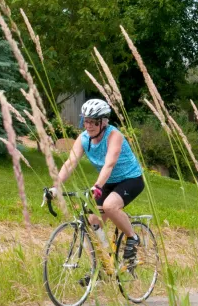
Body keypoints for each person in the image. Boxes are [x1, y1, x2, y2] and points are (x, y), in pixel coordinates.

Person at [51, 99, 144, 266]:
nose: (89, 125)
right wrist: (55, 187)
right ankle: (105, 265)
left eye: (94, 122)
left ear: (104, 122)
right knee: (92, 221)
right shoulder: (84, 138)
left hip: (130, 179)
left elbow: (109, 164)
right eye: (86, 121)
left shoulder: (114, 136)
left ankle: (133, 237)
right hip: (107, 182)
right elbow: (70, 163)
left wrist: (97, 186)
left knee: (109, 206)